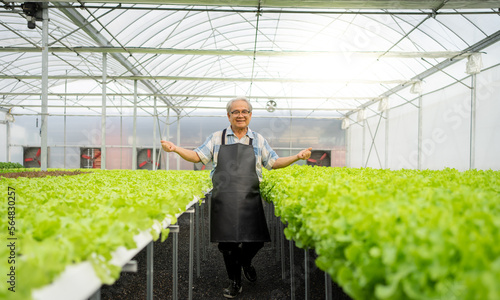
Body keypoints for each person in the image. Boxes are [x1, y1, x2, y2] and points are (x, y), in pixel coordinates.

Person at [161, 97, 312, 299]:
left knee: (256, 240)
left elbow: (274, 162)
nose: (240, 115)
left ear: (250, 115)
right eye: (235, 112)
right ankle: (235, 282)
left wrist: (297, 157)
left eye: (244, 111)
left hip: (250, 195)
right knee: (227, 244)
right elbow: (197, 156)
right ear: (228, 115)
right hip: (224, 197)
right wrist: (176, 149)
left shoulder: (257, 139)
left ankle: (245, 262)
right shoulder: (217, 138)